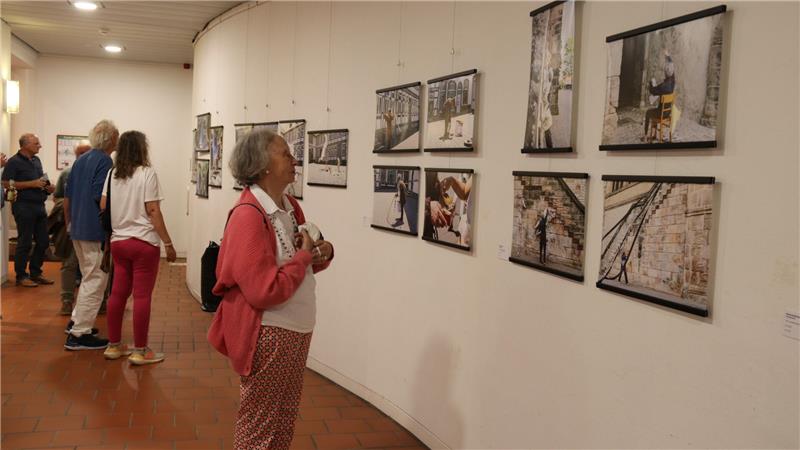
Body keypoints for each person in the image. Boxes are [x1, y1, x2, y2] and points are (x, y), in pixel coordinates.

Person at [208, 129, 334, 449]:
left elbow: (297, 261)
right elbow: (264, 289)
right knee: (260, 424)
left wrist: (321, 252)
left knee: (283, 420)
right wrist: (306, 255)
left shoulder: (289, 206)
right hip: (270, 332)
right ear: (263, 165)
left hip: (296, 327)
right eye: (285, 154)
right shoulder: (248, 216)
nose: (294, 160)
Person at [100, 131, 176, 363]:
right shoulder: (147, 173)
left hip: (119, 243)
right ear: (142, 149)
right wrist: (168, 243)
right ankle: (140, 351)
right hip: (143, 243)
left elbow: (103, 205)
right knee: (142, 296)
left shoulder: (113, 174)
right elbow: (153, 210)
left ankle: (114, 346)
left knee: (118, 293)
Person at [64, 120, 118, 350]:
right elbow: (100, 196)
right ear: (110, 139)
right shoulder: (104, 160)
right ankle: (79, 333)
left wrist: (69, 223)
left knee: (88, 276)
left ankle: (77, 320)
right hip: (93, 229)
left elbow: (68, 194)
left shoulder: (82, 159)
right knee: (96, 278)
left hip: (78, 226)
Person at [1, 134, 56, 287]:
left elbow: (42, 180)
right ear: (25, 145)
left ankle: (36, 273)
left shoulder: (37, 160)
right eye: (36, 143)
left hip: (39, 206)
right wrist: (31, 184)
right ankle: (21, 276)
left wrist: (48, 187)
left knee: (44, 241)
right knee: (24, 242)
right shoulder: (13, 162)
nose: (40, 146)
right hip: (23, 206)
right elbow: (6, 183)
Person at [51, 140, 91, 315]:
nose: (82, 156)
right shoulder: (67, 173)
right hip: (72, 225)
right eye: (80, 153)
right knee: (69, 264)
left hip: (92, 227)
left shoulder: (101, 173)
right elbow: (58, 198)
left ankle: (97, 303)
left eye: (86, 152)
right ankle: (66, 300)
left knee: (95, 267)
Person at [644, 54, 676, 142]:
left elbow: (653, 91)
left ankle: (646, 136)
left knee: (648, 112)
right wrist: (668, 56)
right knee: (655, 111)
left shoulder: (663, 86)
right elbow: (672, 68)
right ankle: (654, 135)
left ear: (665, 73)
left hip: (660, 114)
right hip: (668, 113)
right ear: (672, 73)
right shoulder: (673, 82)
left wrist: (651, 83)